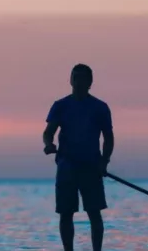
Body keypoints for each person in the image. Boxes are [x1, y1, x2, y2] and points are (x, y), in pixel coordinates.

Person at [42, 63, 114, 251]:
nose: (78, 82)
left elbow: (108, 138)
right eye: (75, 77)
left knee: (94, 213)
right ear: (70, 80)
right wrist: (49, 144)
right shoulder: (60, 106)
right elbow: (48, 132)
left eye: (82, 78)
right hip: (67, 167)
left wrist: (104, 162)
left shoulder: (100, 107)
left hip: (91, 168)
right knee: (66, 213)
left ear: (90, 82)